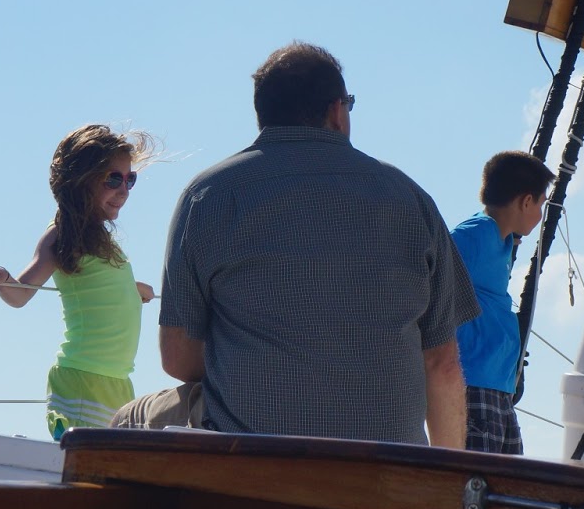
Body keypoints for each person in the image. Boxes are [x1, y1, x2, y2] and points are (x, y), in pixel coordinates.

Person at [158, 41, 478, 446]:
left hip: (253, 468)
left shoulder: (208, 196)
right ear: (337, 112)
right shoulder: (411, 200)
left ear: (263, 116)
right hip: (389, 474)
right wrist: (440, 489)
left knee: (132, 418)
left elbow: (177, 358)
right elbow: (443, 365)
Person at [0, 125, 156, 441]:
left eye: (130, 179)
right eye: (113, 179)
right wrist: (4, 280)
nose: (124, 189)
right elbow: (21, 294)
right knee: (90, 466)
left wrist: (134, 290)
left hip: (117, 380)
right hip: (82, 377)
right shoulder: (63, 233)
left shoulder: (103, 242)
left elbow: (100, 283)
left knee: (111, 466)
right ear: (80, 181)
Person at [450, 152, 554, 455]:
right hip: (474, 387)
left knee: (507, 486)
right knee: (474, 485)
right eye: (541, 204)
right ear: (525, 201)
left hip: (499, 388)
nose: (540, 215)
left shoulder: (503, 240)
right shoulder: (471, 236)